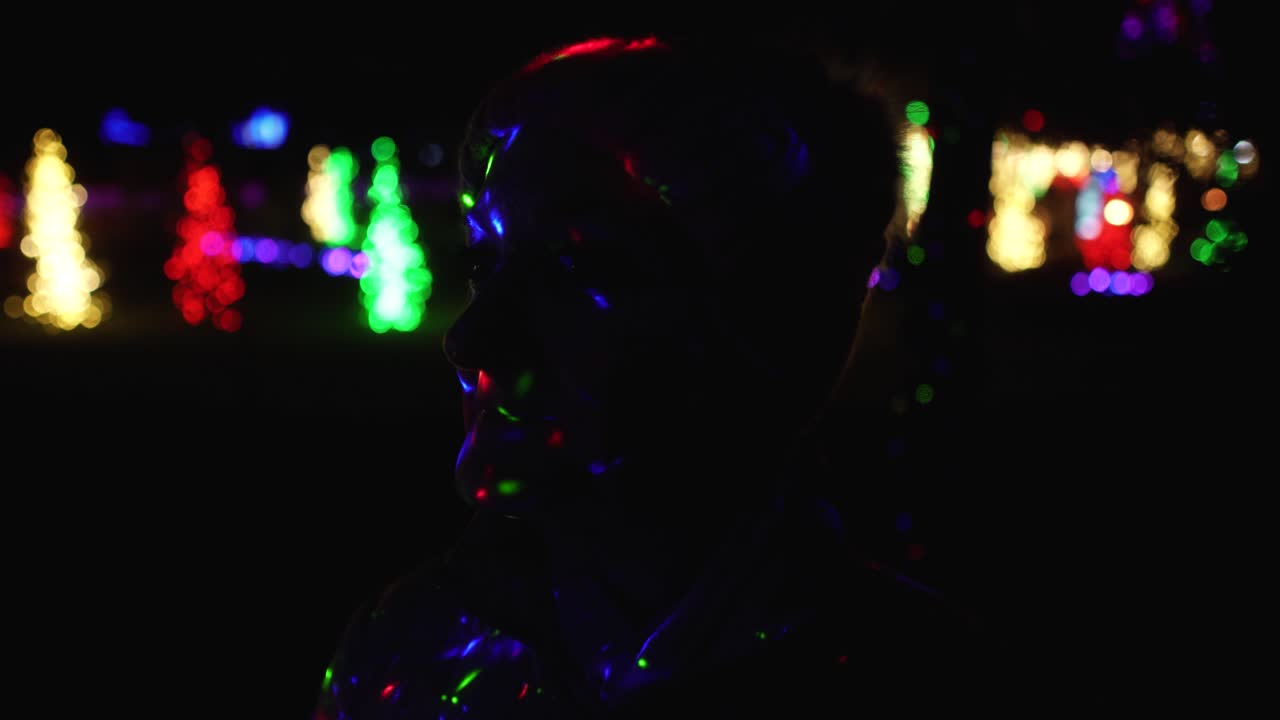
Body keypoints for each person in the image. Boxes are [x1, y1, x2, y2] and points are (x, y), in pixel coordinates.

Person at [314, 35, 985, 720]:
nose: (470, 340)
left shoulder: (912, 682)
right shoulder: (406, 656)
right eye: (485, 265)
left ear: (775, 322)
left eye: (579, 270)